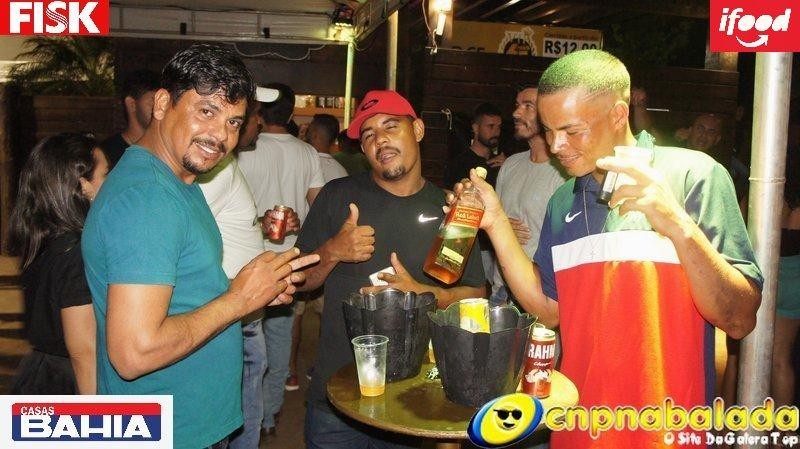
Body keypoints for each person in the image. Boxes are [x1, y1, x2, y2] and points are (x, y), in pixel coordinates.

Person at [458, 50, 762, 448]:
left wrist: (677, 225)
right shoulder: (563, 199)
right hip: (577, 428)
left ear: (619, 114)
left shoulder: (694, 175)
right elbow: (549, 311)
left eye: (571, 130)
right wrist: (496, 222)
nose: (556, 145)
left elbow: (739, 320)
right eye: (549, 130)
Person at [82, 44, 317, 449]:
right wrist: (239, 299)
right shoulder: (148, 199)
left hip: (191, 422)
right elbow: (134, 353)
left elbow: (183, 291)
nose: (220, 135)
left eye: (233, 121)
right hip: (172, 431)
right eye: (206, 111)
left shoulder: (180, 181)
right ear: (161, 104)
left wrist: (253, 289)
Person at [296, 90, 486, 448]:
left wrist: (425, 295)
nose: (379, 139)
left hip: (410, 402)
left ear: (418, 130)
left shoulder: (449, 211)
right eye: (368, 134)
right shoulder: (337, 196)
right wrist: (333, 251)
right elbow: (301, 281)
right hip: (337, 395)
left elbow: (476, 294)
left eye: (390, 126)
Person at [196, 85, 291, 449]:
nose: (258, 122)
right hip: (231, 320)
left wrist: (258, 224)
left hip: (239, 316)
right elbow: (191, 239)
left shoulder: (224, 167)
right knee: (237, 421)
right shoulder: (215, 170)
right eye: (250, 116)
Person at [237, 82, 325, 437]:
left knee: (248, 346)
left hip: (246, 263)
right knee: (277, 341)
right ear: (291, 113)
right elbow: (319, 206)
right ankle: (269, 416)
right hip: (288, 262)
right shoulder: (307, 153)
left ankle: (247, 417)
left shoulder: (243, 150)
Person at [7, 133, 107, 395]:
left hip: (38, 374)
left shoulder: (45, 240)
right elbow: (84, 352)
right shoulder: (76, 252)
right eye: (106, 175)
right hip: (68, 383)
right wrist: (98, 416)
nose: (113, 183)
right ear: (83, 186)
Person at [285, 113, 348, 391]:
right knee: (327, 316)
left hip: (301, 251)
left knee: (294, 315)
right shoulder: (341, 172)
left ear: (313, 135)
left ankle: (290, 370)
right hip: (330, 257)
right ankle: (320, 367)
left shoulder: (301, 159)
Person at [491, 84, 567, 304]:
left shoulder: (564, 173)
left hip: (540, 297)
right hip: (500, 293)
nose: (516, 113)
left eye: (528, 106)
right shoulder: (510, 164)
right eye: (517, 105)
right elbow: (496, 220)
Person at [100, 69, 160, 170]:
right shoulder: (107, 155)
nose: (160, 108)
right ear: (132, 104)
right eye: (153, 101)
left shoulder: (167, 151)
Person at [443, 102, 506, 188]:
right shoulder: (460, 164)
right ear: (476, 128)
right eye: (491, 126)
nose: (496, 131)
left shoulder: (500, 163)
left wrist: (509, 167)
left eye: (499, 127)